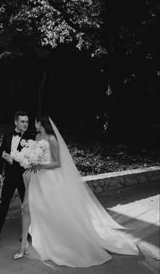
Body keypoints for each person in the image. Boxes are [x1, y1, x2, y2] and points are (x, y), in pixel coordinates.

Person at [14, 114, 138, 267]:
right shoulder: (38, 136)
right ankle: (26, 245)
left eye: (35, 122)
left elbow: (58, 163)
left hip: (49, 179)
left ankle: (62, 240)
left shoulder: (52, 139)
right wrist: (30, 160)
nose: (34, 125)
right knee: (28, 208)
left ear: (41, 123)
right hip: (36, 178)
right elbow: (33, 154)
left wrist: (41, 165)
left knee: (53, 210)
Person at [0, 111, 33, 245]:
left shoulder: (31, 138)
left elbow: (31, 160)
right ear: (16, 122)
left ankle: (29, 233)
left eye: (27, 121)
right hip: (9, 177)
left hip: (24, 177)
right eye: (22, 121)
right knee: (2, 206)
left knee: (27, 206)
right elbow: (1, 154)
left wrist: (12, 161)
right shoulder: (8, 134)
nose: (25, 124)